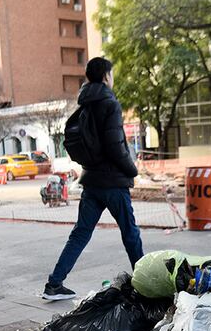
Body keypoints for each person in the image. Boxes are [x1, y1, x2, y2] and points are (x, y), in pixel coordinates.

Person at [42, 57, 142, 300]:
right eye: (112, 73)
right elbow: (116, 146)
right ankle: (145, 284)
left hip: (91, 181)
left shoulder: (85, 104)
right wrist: (132, 170)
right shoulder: (109, 103)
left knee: (80, 233)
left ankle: (54, 284)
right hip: (112, 182)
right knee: (130, 232)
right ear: (106, 76)